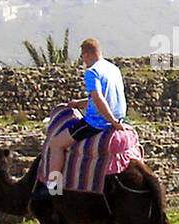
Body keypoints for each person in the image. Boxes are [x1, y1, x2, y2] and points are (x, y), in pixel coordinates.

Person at [47, 38, 127, 187]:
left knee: (56, 144)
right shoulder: (113, 68)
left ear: (88, 54)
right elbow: (102, 98)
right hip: (121, 118)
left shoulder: (92, 72)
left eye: (82, 56)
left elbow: (98, 98)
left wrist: (112, 122)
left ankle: (52, 189)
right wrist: (78, 104)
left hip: (97, 123)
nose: (83, 60)